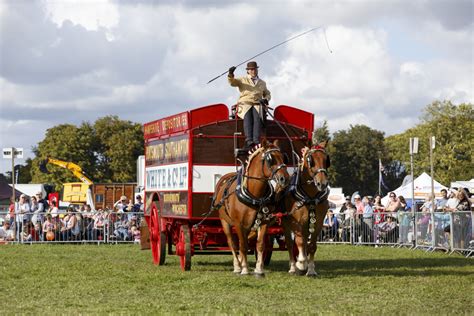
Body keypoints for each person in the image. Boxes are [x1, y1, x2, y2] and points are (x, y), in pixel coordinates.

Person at [228, 61, 271, 150]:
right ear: (247, 71)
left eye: (254, 69)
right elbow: (232, 82)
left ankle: (256, 141)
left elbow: (267, 93)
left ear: (257, 70)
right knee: (247, 116)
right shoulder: (242, 80)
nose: (253, 71)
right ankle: (249, 140)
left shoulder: (262, 83)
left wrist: (266, 99)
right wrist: (230, 74)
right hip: (245, 103)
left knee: (257, 118)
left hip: (257, 104)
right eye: (251, 69)